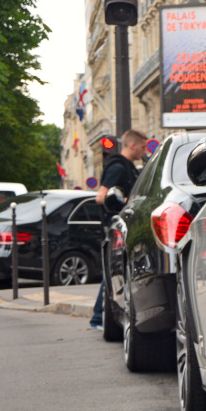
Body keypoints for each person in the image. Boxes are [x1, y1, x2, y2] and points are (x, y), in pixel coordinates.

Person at [89, 129, 148, 330]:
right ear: (132, 145)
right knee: (112, 272)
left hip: (119, 225)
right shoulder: (118, 167)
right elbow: (101, 196)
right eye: (142, 146)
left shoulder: (128, 167)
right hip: (115, 225)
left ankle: (99, 317)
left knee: (113, 272)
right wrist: (125, 202)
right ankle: (98, 317)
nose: (144, 150)